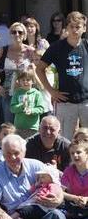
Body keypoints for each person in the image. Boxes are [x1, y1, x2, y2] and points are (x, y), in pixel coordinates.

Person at [37, 11, 88, 139]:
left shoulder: (87, 45)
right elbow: (39, 69)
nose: (75, 30)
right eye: (71, 26)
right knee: (65, 141)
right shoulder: (56, 47)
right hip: (65, 102)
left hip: (86, 101)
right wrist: (51, 91)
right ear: (66, 28)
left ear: (84, 28)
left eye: (78, 27)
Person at [0, 21, 32, 125]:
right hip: (7, 94)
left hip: (27, 94)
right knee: (8, 125)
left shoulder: (30, 51)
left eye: (20, 32)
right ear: (9, 35)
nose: (17, 34)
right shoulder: (3, 50)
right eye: (13, 32)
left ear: (24, 35)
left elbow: (40, 69)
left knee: (26, 125)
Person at [10, 68, 48, 137]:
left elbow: (41, 108)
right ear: (19, 81)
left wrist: (31, 111)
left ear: (33, 81)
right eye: (23, 80)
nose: (25, 82)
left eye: (28, 80)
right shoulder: (17, 93)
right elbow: (12, 108)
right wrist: (22, 106)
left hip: (32, 127)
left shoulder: (37, 93)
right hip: (18, 127)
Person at [61, 139, 88, 219]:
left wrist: (86, 199)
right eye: (72, 153)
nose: (75, 155)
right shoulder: (68, 171)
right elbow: (60, 191)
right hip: (74, 204)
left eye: (78, 152)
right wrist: (74, 198)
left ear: (87, 153)